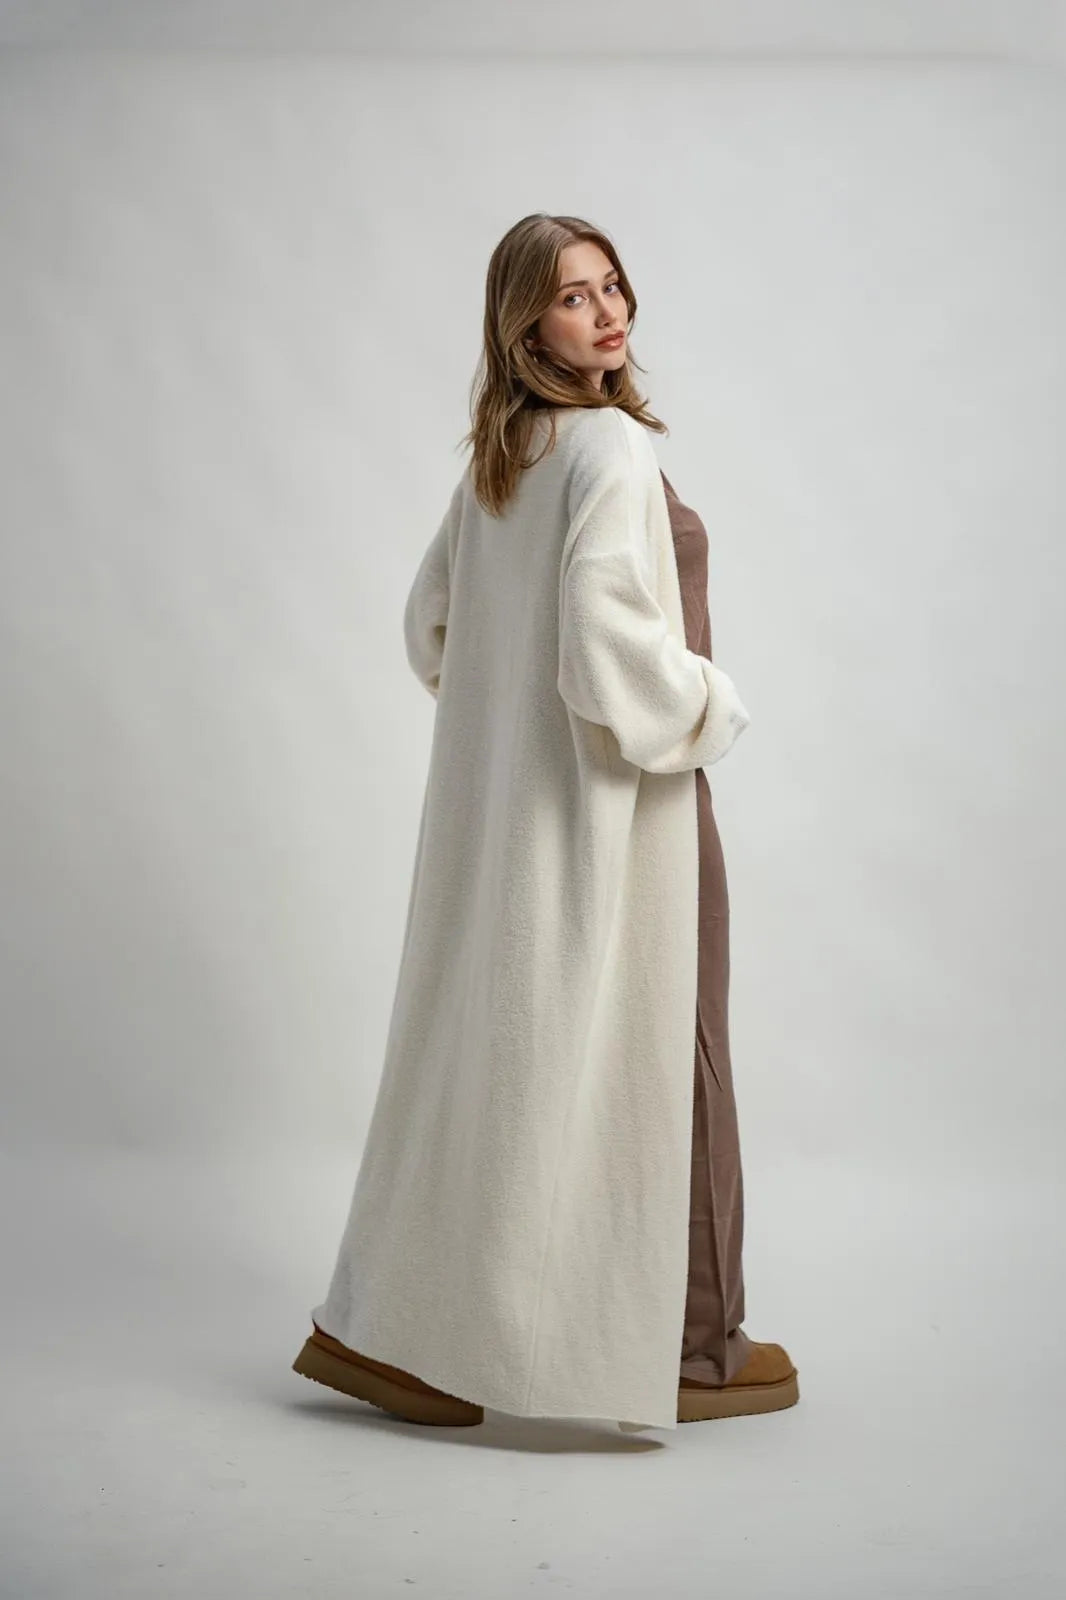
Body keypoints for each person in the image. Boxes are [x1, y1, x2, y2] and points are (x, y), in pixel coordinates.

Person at [292, 214, 799, 1432]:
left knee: (477, 1061)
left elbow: (430, 625)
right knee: (678, 1058)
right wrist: (708, 705)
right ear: (525, 323)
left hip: (497, 822)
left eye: (612, 284)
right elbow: (606, 646)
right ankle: (696, 1349)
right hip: (623, 808)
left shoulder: (502, 454)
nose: (607, 311)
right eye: (573, 296)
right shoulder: (608, 446)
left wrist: (501, 726)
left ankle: (397, 1330)